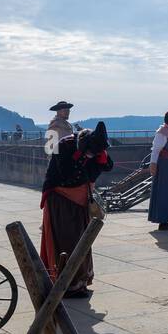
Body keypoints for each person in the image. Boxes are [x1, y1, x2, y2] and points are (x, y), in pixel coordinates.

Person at [40, 122, 113, 298]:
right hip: (61, 199)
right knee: (67, 241)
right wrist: (80, 156)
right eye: (64, 110)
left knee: (82, 240)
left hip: (80, 199)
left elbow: (106, 166)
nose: (66, 112)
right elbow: (64, 172)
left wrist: (100, 158)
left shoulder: (92, 144)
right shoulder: (61, 141)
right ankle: (67, 283)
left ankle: (80, 281)